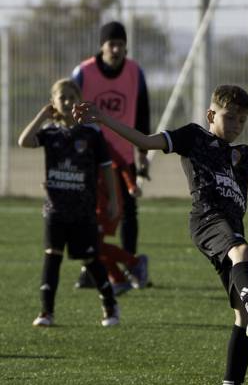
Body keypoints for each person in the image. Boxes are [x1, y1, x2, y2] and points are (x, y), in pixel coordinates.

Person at [74, 84, 248, 385]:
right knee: (243, 251)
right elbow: (146, 142)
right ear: (211, 115)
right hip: (207, 219)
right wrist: (102, 118)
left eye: (241, 120)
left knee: (241, 316)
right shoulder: (193, 138)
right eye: (230, 117)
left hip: (228, 227)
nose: (235, 125)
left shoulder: (243, 156)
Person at [19, 78, 120, 327]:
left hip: (83, 211)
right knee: (52, 257)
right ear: (53, 102)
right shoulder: (50, 132)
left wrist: (114, 200)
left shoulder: (91, 133)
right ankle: (46, 312)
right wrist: (42, 116)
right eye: (61, 97)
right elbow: (24, 141)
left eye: (71, 97)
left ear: (79, 102)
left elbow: (107, 168)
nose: (66, 102)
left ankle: (110, 306)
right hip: (55, 210)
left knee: (90, 259)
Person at [72, 21, 150, 263]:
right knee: (89, 212)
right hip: (90, 157)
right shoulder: (84, 72)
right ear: (102, 46)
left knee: (129, 211)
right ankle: (90, 267)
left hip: (124, 156)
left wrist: (142, 153)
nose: (116, 50)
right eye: (111, 44)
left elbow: (142, 114)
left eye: (121, 45)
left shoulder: (135, 72)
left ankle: (131, 263)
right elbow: (70, 111)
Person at [95, 165, 149, 295]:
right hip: (89, 203)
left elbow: (121, 162)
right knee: (92, 247)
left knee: (93, 245)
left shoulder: (99, 145)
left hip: (104, 205)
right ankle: (119, 278)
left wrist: (131, 184)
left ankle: (134, 264)